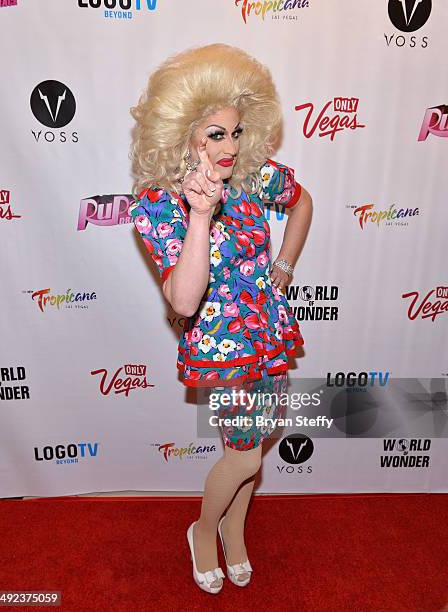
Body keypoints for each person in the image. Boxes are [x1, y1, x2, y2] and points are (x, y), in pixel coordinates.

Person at [129, 43, 312, 594]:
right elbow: (183, 301)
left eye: (235, 131)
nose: (230, 146)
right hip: (220, 344)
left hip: (268, 332)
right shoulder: (157, 203)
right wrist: (202, 215)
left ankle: (235, 526)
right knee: (245, 452)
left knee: (255, 442)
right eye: (215, 134)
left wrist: (282, 267)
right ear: (182, 132)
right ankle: (203, 529)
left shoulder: (254, 174)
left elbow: (303, 204)